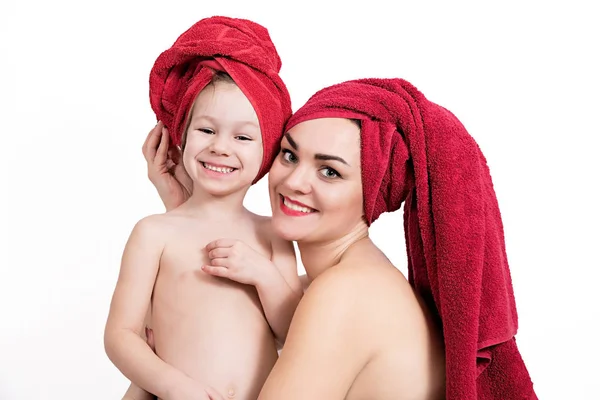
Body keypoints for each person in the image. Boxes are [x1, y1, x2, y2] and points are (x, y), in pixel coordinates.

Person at [144, 77, 537, 399]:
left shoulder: (345, 294)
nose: (294, 182)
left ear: (372, 193)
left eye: (329, 172)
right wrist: (187, 211)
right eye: (290, 155)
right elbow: (204, 332)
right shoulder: (333, 283)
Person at [104, 16, 302, 400]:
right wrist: (175, 386)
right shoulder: (155, 232)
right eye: (207, 130)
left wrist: (263, 275)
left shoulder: (273, 234)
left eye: (243, 136)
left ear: (268, 151)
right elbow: (121, 335)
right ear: (181, 136)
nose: (221, 147)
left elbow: (293, 333)